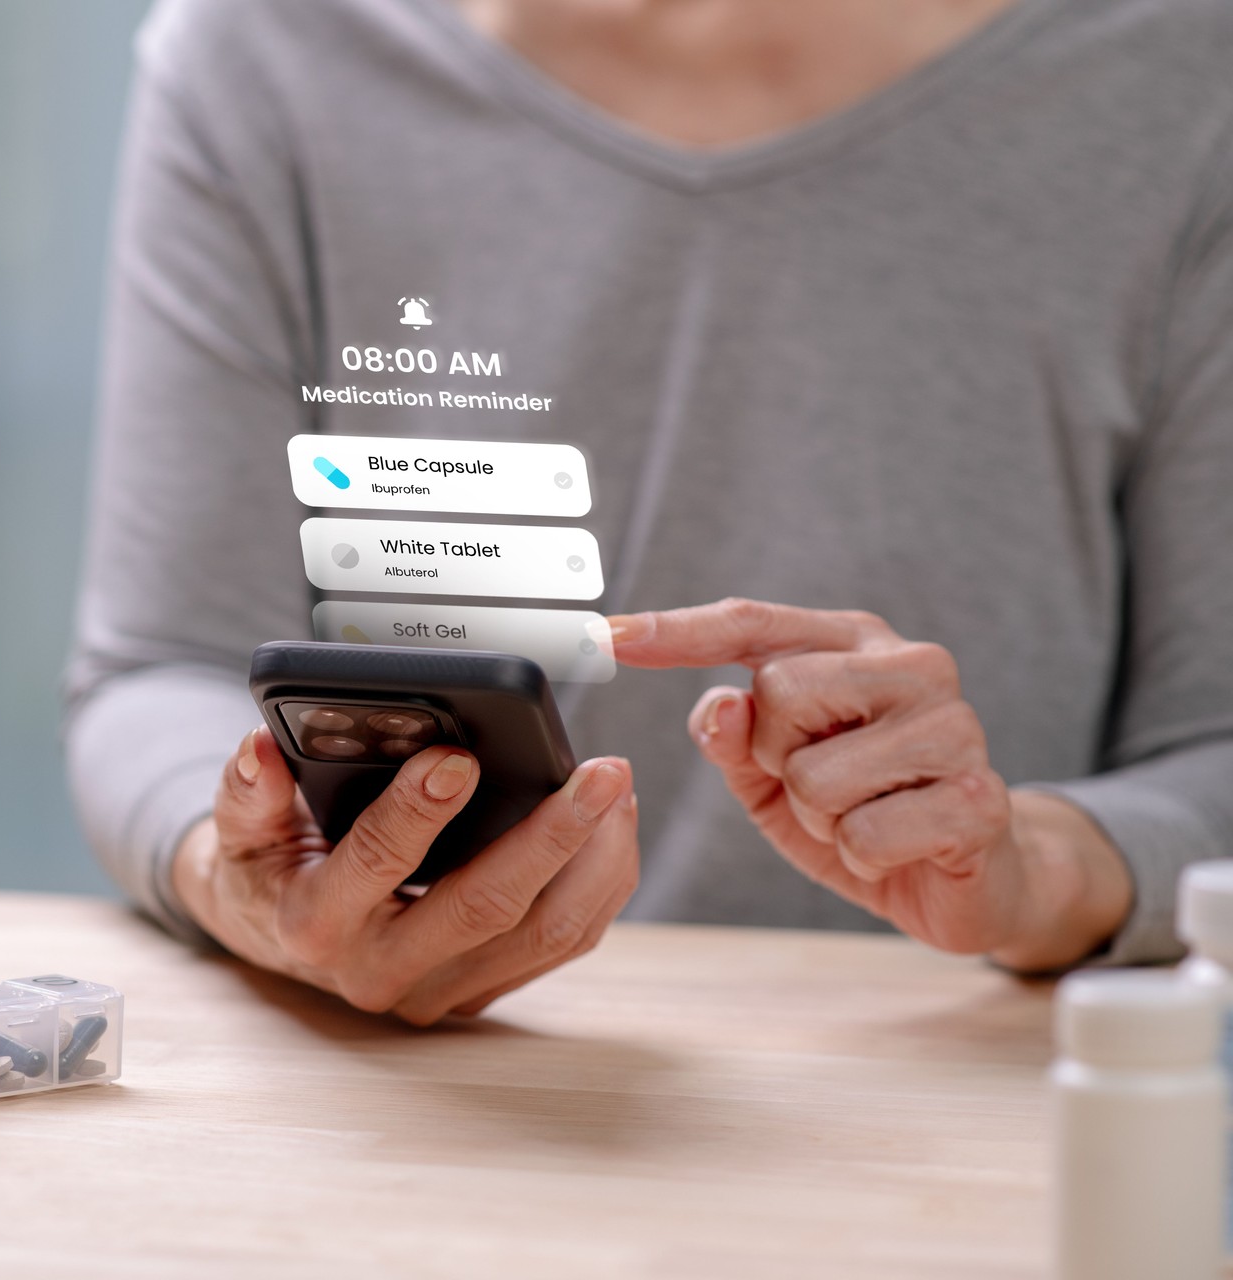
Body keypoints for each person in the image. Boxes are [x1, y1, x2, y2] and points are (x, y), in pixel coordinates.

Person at [64, 0, 1233, 1023]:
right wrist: (257, 889)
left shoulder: (1183, 81)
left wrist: (1033, 863)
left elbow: (1214, 749)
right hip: (426, 1099)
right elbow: (159, 668)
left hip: (963, 1098)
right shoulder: (268, 49)